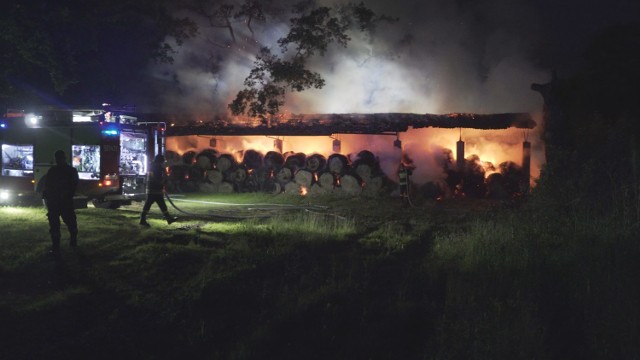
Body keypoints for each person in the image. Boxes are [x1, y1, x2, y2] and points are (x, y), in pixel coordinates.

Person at [42, 150, 79, 254]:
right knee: (69, 223)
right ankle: (71, 243)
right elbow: (74, 185)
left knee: (56, 225)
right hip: (63, 201)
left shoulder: (53, 170)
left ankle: (57, 247)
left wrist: (47, 197)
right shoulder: (71, 170)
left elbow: (47, 186)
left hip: (57, 201)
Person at [140, 154, 177, 227]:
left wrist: (164, 179)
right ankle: (142, 220)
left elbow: (163, 177)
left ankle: (168, 219)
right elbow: (152, 178)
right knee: (149, 205)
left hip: (156, 189)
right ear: (160, 161)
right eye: (162, 161)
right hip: (154, 189)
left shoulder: (156, 166)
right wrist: (160, 182)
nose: (163, 163)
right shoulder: (154, 167)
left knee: (161, 205)